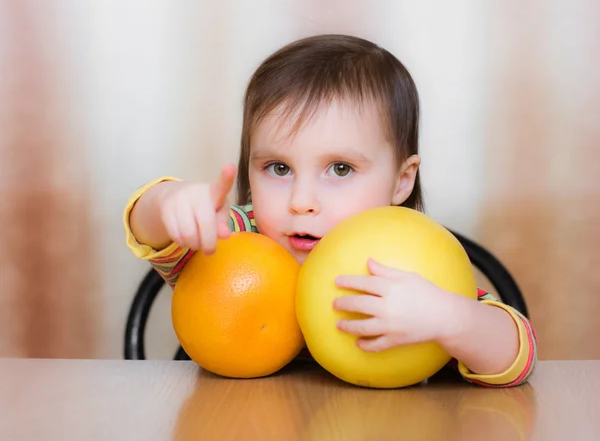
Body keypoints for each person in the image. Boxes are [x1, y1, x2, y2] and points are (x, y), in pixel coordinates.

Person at [123, 34, 537, 387]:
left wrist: (451, 320)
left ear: (401, 181)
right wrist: (168, 204)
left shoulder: (404, 266)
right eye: (279, 168)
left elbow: (518, 356)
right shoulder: (237, 239)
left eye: (340, 169)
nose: (302, 201)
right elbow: (150, 229)